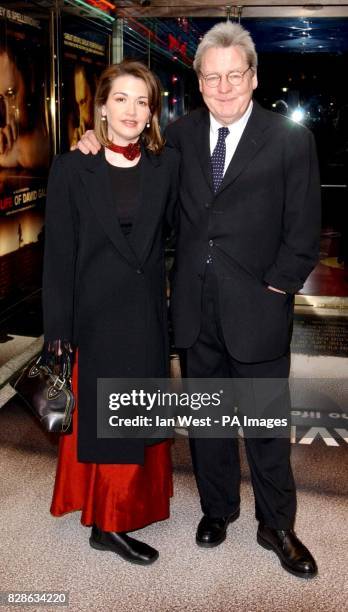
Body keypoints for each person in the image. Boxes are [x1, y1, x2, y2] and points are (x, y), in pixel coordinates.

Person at [76, 23, 321, 578]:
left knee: (263, 426)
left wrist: (277, 286)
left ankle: (277, 525)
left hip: (258, 308)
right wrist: (90, 144)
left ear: (254, 78)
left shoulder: (289, 139)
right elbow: (128, 171)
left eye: (235, 75)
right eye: (213, 77)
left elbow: (304, 229)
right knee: (208, 423)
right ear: (200, 82)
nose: (225, 86)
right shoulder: (178, 136)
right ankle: (218, 510)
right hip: (191, 308)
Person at [43, 60, 179, 565]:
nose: (132, 110)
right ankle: (109, 523)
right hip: (95, 320)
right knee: (107, 427)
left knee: (137, 417)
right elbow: (58, 254)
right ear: (101, 107)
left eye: (143, 102)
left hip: (144, 317)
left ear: (152, 114)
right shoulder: (73, 167)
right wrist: (57, 329)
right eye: (121, 98)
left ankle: (128, 509)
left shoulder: (166, 165)